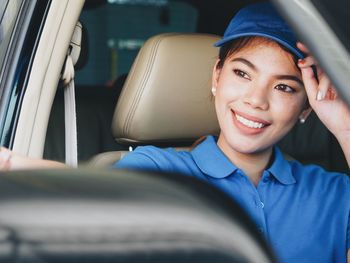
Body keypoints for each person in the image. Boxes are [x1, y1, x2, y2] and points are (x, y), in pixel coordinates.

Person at [0, 2, 349, 263]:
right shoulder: (160, 170)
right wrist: (12, 163)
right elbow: (90, 195)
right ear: (216, 76)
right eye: (242, 74)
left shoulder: (333, 193)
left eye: (285, 88)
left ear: (308, 106)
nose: (255, 100)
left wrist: (343, 125)